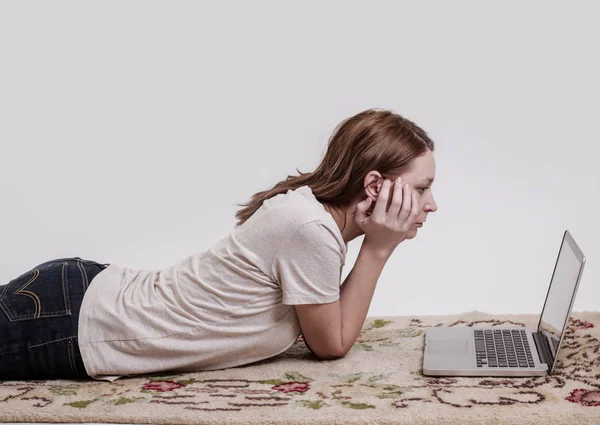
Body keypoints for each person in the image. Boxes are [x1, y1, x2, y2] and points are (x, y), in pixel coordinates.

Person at [0, 108, 437, 382]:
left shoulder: (312, 220)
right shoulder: (310, 227)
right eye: (422, 188)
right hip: (73, 321)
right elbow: (331, 344)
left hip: (79, 297)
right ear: (375, 186)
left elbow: (326, 327)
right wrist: (380, 248)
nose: (431, 204)